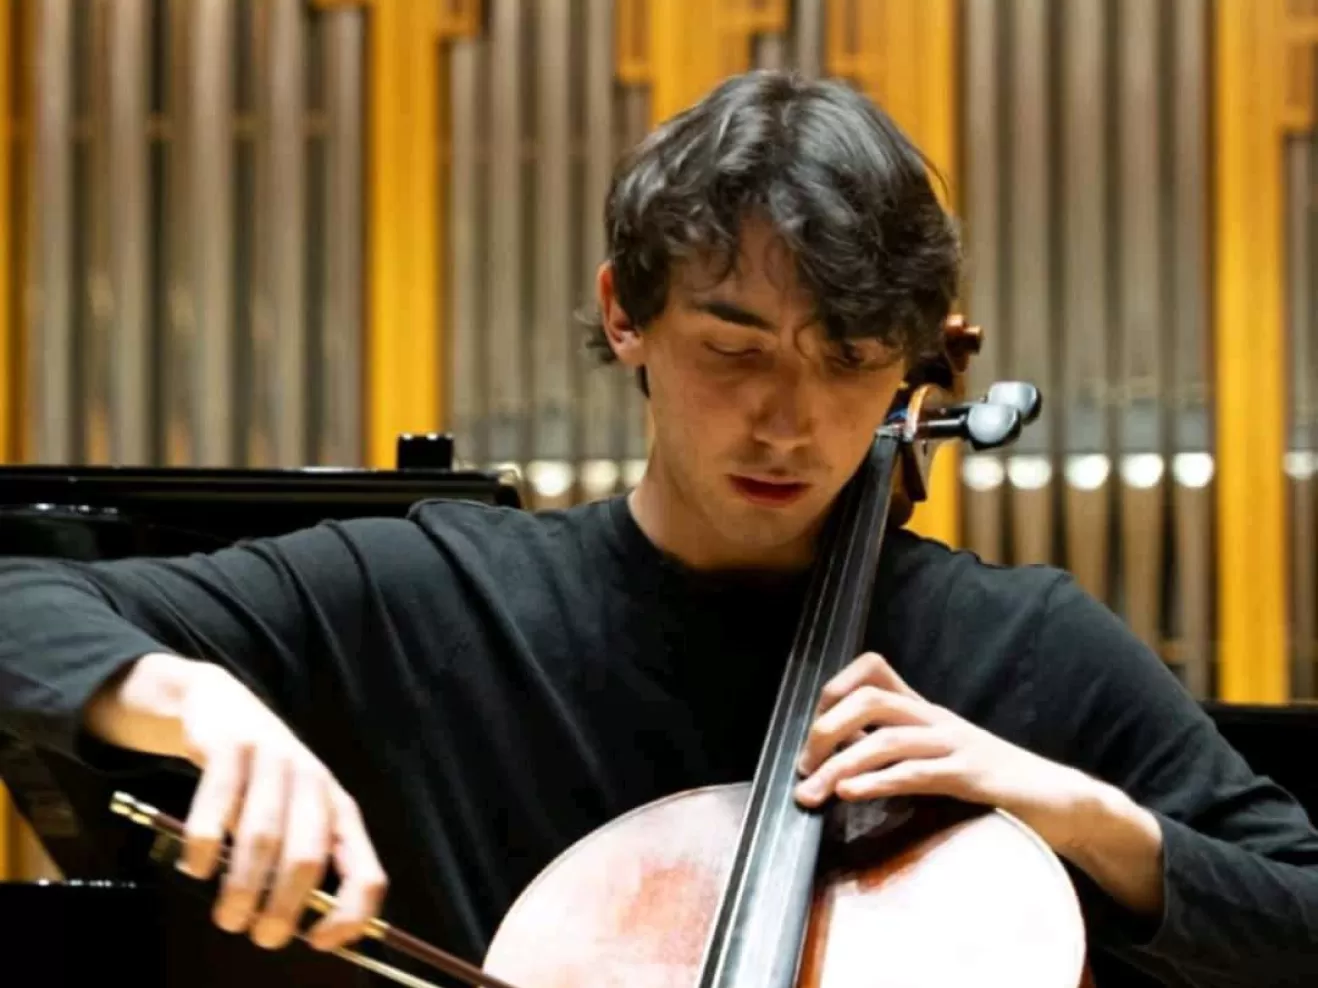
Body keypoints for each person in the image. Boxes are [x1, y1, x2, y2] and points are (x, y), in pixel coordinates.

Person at [0, 69, 1315, 987]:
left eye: (850, 357)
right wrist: (184, 696)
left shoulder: (1020, 653)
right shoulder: (429, 597)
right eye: (731, 344)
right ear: (623, 312)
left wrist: (1069, 809)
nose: (787, 422)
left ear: (912, 362)